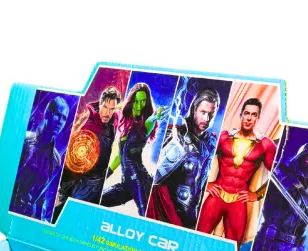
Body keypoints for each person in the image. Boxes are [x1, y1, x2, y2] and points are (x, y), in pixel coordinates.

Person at [195, 97, 276, 242]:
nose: (249, 118)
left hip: (238, 199)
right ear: (241, 115)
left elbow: (278, 177)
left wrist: (257, 194)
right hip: (217, 194)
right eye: (246, 113)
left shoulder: (265, 144)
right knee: (197, 239)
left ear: (258, 118)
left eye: (254, 115)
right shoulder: (224, 137)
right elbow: (198, 158)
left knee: (233, 247)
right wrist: (205, 183)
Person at [146, 86, 220, 228]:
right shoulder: (176, 136)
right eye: (203, 112)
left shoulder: (211, 142)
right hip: (168, 213)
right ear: (194, 109)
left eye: (211, 113)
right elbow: (155, 178)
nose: (206, 118)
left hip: (192, 216)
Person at [52, 87, 122, 220]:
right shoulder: (88, 127)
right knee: (67, 216)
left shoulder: (113, 120)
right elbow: (72, 160)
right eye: (105, 107)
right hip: (82, 184)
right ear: (100, 104)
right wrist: (63, 187)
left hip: (95, 184)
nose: (107, 113)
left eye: (111, 109)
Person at [100, 84, 166, 216]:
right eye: (136, 101)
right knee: (99, 199)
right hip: (127, 183)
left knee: (145, 216)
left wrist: (155, 117)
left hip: (139, 181)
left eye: (143, 101)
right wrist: (105, 175)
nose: (139, 105)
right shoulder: (126, 125)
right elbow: (120, 156)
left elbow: (151, 120)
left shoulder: (147, 122)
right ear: (131, 102)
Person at [10, 96, 70, 219]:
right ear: (48, 114)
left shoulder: (55, 159)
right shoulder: (25, 141)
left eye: (64, 118)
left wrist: (37, 221)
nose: (60, 121)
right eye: (58, 115)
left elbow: (41, 195)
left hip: (27, 215)